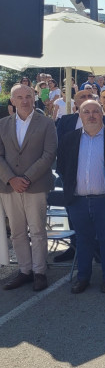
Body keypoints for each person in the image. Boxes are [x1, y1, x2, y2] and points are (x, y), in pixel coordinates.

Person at [58, 100, 105, 294]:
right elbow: (63, 168)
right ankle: (83, 277)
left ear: (102, 115)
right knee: (83, 240)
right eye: (86, 112)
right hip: (78, 200)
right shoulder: (68, 139)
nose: (91, 115)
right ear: (79, 115)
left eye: (95, 112)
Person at [0, 85, 57, 292]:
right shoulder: (2, 124)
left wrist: (25, 178)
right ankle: (24, 271)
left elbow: (49, 154)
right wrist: (11, 179)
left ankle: (39, 272)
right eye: (19, 97)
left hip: (36, 185)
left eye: (28, 96)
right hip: (9, 187)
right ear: (12, 101)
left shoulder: (47, 123)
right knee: (16, 232)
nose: (24, 101)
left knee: (38, 230)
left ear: (34, 98)